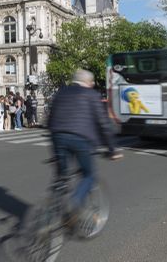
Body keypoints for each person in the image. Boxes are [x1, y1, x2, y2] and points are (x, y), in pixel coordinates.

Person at [48, 69, 123, 221]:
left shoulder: (61, 92)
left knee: (62, 177)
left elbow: (50, 118)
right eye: (92, 82)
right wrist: (113, 149)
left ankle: (50, 216)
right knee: (89, 175)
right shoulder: (92, 95)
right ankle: (75, 203)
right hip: (80, 138)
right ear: (88, 82)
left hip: (57, 136)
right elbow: (103, 123)